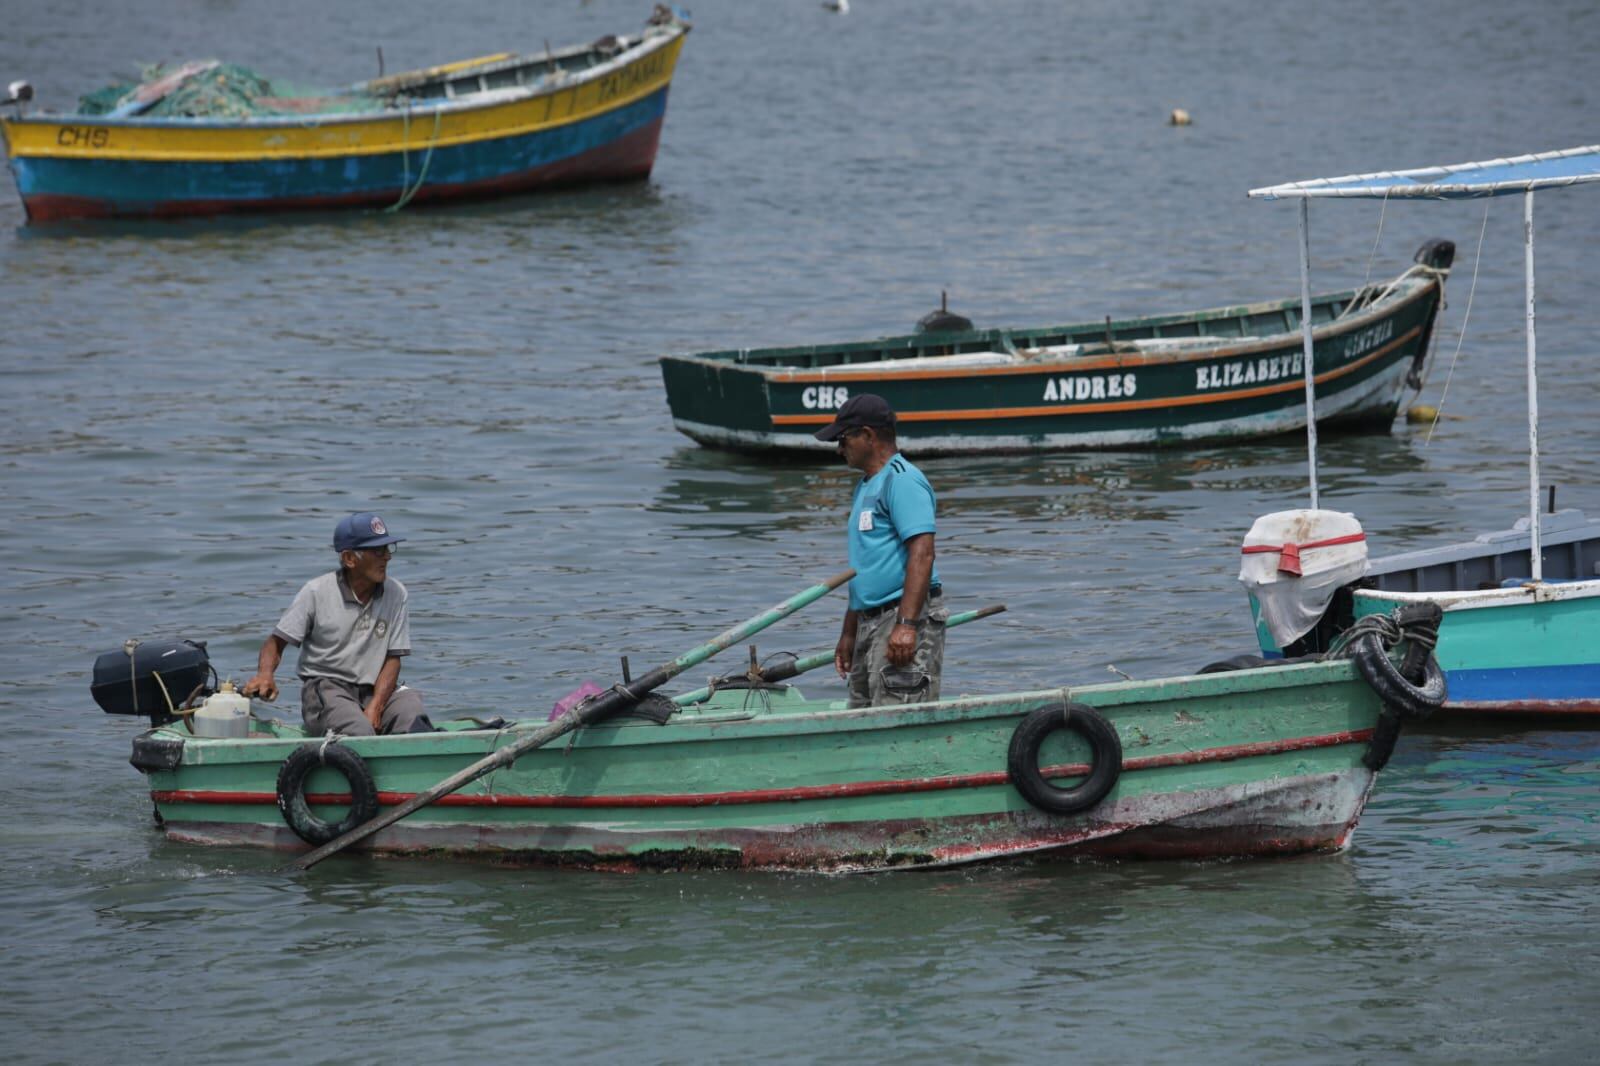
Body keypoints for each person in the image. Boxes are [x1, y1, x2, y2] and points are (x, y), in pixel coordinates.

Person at [241, 512, 431, 736]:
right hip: (327, 689)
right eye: (377, 551)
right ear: (350, 558)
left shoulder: (396, 593)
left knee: (412, 711)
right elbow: (276, 642)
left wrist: (376, 706)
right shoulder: (316, 592)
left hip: (374, 690)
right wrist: (265, 675)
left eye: (388, 549)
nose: (387, 557)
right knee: (360, 731)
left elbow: (392, 659)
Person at [815, 394, 948, 707]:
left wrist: (906, 625)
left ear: (868, 436)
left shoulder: (902, 481)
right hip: (868, 619)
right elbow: (864, 565)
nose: (839, 448)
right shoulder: (866, 485)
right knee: (861, 712)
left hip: (899, 615)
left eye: (843, 439)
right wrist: (849, 631)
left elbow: (923, 552)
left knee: (896, 711)